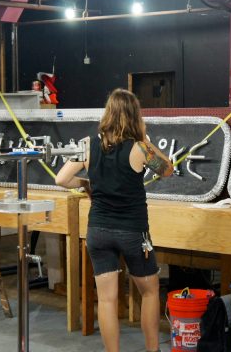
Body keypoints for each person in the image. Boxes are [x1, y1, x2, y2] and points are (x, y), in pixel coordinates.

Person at [56, 89, 174, 352]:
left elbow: (61, 179)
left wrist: (91, 184)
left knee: (107, 301)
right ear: (135, 115)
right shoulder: (140, 146)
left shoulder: (89, 144)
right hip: (133, 233)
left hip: (98, 231)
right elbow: (167, 170)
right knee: (150, 292)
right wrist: (146, 138)